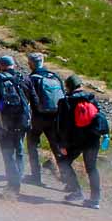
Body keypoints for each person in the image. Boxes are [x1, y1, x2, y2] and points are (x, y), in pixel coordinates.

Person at [56, 75, 108, 209]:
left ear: (68, 87)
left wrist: (62, 143)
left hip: (76, 140)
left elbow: (62, 126)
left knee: (63, 162)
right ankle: (95, 199)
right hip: (93, 139)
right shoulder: (91, 99)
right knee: (91, 168)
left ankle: (76, 191)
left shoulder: (65, 102)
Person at [0, 55, 33, 195]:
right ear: (14, 65)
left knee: (8, 153)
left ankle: (13, 183)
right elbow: (32, 98)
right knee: (19, 150)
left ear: (0, 65)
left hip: (3, 123)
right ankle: (19, 177)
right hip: (22, 121)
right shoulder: (24, 79)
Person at [23, 53, 66, 185]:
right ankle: (68, 179)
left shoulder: (32, 78)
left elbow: (26, 98)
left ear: (31, 64)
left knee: (32, 145)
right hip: (54, 118)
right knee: (56, 147)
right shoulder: (55, 77)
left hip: (37, 118)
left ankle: (36, 177)